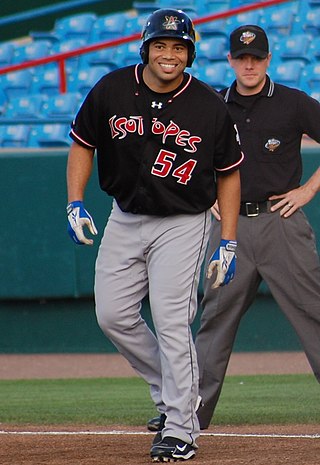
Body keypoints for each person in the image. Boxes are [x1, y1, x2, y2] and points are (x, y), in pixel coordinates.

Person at [66, 8, 243, 462]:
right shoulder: (111, 89)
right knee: (113, 315)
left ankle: (182, 427)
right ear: (146, 49)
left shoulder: (208, 105)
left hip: (184, 221)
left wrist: (228, 240)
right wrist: (75, 201)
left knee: (171, 320)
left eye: (179, 47)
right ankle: (172, 396)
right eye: (161, 46)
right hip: (125, 216)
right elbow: (83, 143)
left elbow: (228, 174)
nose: (169, 54)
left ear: (190, 55)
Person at [194, 24, 320, 431]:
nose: (249, 64)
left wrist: (307, 190)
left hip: (281, 221)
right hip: (229, 226)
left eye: (256, 57)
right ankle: (188, 414)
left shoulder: (293, 103)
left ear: (268, 59)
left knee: (314, 312)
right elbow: (189, 154)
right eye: (241, 57)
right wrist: (206, 195)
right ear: (229, 59)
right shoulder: (211, 103)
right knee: (214, 319)